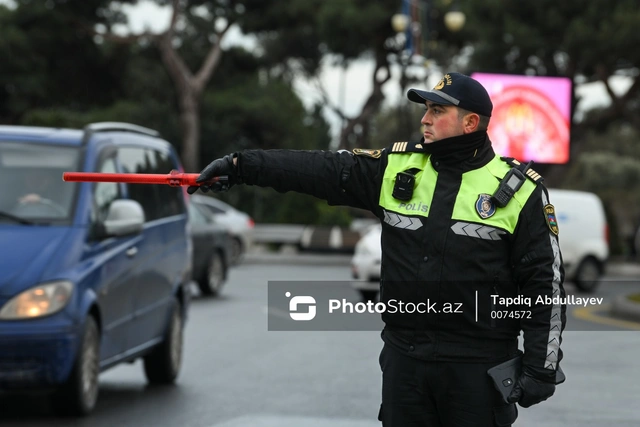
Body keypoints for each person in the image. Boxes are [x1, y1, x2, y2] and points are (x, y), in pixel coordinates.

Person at [188, 72, 567, 426]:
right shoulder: (395, 169)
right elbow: (316, 170)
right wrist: (240, 166)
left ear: (470, 123)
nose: (425, 120)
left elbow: (543, 286)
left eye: (438, 111)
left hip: (477, 369)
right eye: (425, 110)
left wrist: (540, 367)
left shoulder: (519, 192)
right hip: (406, 363)